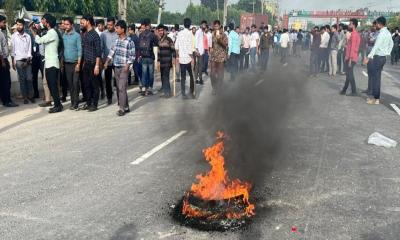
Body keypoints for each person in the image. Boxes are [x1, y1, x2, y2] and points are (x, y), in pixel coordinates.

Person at [31, 13, 63, 113]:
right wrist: (37, 31)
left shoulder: (52, 33)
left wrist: (33, 32)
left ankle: (58, 105)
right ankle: (57, 104)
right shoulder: (50, 32)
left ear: (48, 22)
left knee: (53, 85)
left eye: (43, 20)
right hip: (50, 63)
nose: (42, 22)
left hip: (52, 63)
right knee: (50, 84)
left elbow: (40, 40)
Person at [104, 20, 135, 116]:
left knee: (121, 87)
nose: (116, 30)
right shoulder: (116, 41)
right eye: (116, 28)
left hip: (124, 68)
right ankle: (126, 106)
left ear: (123, 29)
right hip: (116, 66)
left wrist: (127, 65)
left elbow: (132, 56)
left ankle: (121, 109)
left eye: (117, 28)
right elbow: (111, 53)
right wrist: (106, 62)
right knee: (119, 88)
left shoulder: (130, 41)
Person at [363, 16, 393, 105]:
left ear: (380, 24)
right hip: (382, 57)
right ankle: (376, 98)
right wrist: (387, 53)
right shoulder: (387, 33)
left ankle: (376, 99)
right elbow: (391, 44)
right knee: (377, 78)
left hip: (378, 57)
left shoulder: (381, 34)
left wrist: (368, 57)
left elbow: (375, 47)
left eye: (376, 23)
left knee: (376, 79)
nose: (375, 25)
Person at [80, 15, 102, 112]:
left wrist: (97, 66)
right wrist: (83, 62)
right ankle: (89, 103)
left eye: (82, 22)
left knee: (94, 85)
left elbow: (98, 52)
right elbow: (85, 50)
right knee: (86, 84)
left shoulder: (95, 35)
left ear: (88, 21)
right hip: (86, 63)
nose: (81, 24)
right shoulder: (85, 34)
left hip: (94, 63)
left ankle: (95, 104)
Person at [11, 18, 34, 104]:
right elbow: (13, 50)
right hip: (19, 61)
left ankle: (31, 96)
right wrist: (13, 61)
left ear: (23, 25)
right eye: (17, 24)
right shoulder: (14, 36)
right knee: (22, 79)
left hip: (27, 60)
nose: (19, 26)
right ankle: (25, 97)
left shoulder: (28, 36)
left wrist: (28, 60)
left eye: (20, 25)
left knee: (29, 78)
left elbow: (29, 49)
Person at [62, 17, 82, 110]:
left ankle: (76, 102)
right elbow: (62, 50)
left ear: (72, 25)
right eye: (64, 24)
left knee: (75, 82)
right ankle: (73, 102)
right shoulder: (64, 36)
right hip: (67, 63)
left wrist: (78, 64)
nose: (65, 26)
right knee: (70, 84)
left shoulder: (77, 36)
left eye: (67, 24)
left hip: (75, 63)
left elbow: (79, 50)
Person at [0, 15, 18, 107]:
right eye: (3, 22)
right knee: (6, 82)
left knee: (3, 82)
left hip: (2, 59)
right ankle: (7, 101)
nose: (5, 24)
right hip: (2, 60)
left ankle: (5, 100)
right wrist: (3, 62)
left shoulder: (3, 32)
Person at [340, 19, 361, 96]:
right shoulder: (353, 34)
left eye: (350, 24)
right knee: (349, 75)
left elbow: (353, 48)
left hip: (351, 58)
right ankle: (345, 90)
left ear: (354, 25)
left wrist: (350, 59)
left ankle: (353, 91)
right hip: (349, 57)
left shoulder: (354, 34)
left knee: (349, 75)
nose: (349, 25)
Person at [175, 18, 194, 99]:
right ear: (189, 25)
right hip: (189, 58)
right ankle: (191, 92)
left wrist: (177, 56)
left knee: (183, 77)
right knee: (191, 76)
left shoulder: (179, 33)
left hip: (182, 59)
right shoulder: (190, 34)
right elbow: (191, 47)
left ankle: (183, 94)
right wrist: (192, 57)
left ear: (183, 24)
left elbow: (176, 46)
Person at [139, 18, 158, 96]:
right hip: (150, 57)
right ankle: (150, 88)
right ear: (149, 25)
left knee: (144, 73)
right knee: (150, 74)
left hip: (143, 57)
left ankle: (143, 88)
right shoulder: (152, 35)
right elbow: (156, 44)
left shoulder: (140, 34)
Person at [101, 17, 118, 104]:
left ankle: (120, 97)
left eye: (111, 25)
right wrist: (102, 60)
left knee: (118, 80)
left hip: (117, 61)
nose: (109, 26)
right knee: (107, 80)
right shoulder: (103, 34)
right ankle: (109, 98)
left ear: (114, 25)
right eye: (108, 25)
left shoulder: (118, 34)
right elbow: (101, 47)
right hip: (107, 61)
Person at [210, 20, 228, 94]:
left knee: (220, 74)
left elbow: (225, 45)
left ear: (220, 26)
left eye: (217, 26)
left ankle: (219, 88)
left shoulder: (223, 34)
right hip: (214, 56)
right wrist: (210, 49)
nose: (216, 27)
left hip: (221, 56)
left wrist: (219, 39)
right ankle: (214, 87)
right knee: (212, 74)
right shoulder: (212, 34)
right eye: (215, 26)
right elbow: (211, 44)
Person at [156, 24, 174, 98]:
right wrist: (158, 61)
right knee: (163, 77)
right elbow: (159, 52)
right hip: (162, 62)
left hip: (167, 61)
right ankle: (165, 90)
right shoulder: (159, 40)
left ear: (164, 31)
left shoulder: (169, 39)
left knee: (166, 77)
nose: (160, 32)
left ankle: (168, 93)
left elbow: (173, 50)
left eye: (161, 30)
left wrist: (174, 59)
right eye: (159, 30)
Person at [362, 21, 378, 95]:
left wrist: (370, 39)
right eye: (372, 26)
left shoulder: (378, 34)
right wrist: (368, 35)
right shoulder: (370, 33)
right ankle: (369, 89)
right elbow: (366, 41)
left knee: (373, 73)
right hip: (369, 54)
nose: (372, 27)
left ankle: (372, 90)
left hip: (373, 56)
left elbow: (372, 42)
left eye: (374, 26)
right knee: (369, 72)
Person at [31, 18, 43, 99]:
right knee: (33, 77)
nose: (36, 25)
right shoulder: (30, 34)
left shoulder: (43, 33)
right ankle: (36, 93)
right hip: (34, 58)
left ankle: (46, 93)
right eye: (35, 24)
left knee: (44, 76)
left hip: (41, 57)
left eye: (37, 24)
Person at [194, 20, 207, 85]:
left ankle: (198, 79)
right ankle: (198, 79)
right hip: (198, 51)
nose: (204, 26)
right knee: (198, 66)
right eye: (203, 25)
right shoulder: (198, 32)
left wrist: (203, 50)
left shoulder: (202, 32)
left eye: (205, 25)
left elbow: (202, 42)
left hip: (201, 51)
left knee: (199, 66)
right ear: (201, 25)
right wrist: (197, 50)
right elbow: (195, 41)